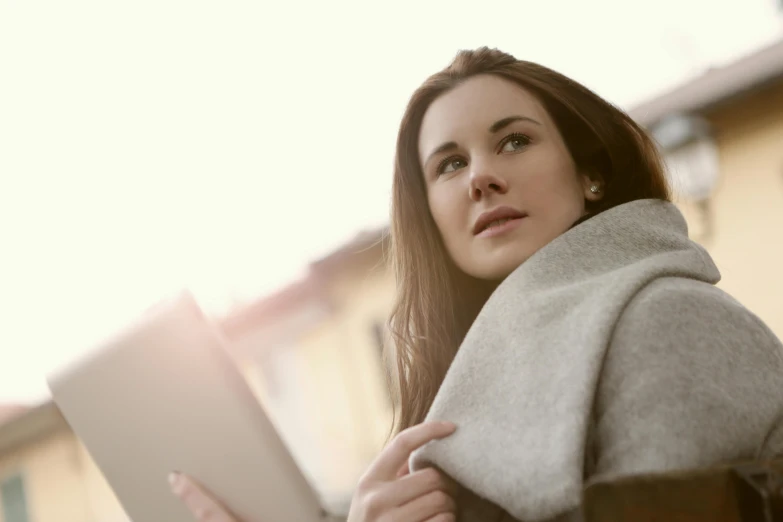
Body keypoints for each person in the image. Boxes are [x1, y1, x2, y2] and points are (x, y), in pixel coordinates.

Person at [169, 47, 783, 522]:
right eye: (450, 164)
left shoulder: (668, 319)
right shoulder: (467, 380)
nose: (481, 178)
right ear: (431, 217)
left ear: (590, 173)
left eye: (514, 141)